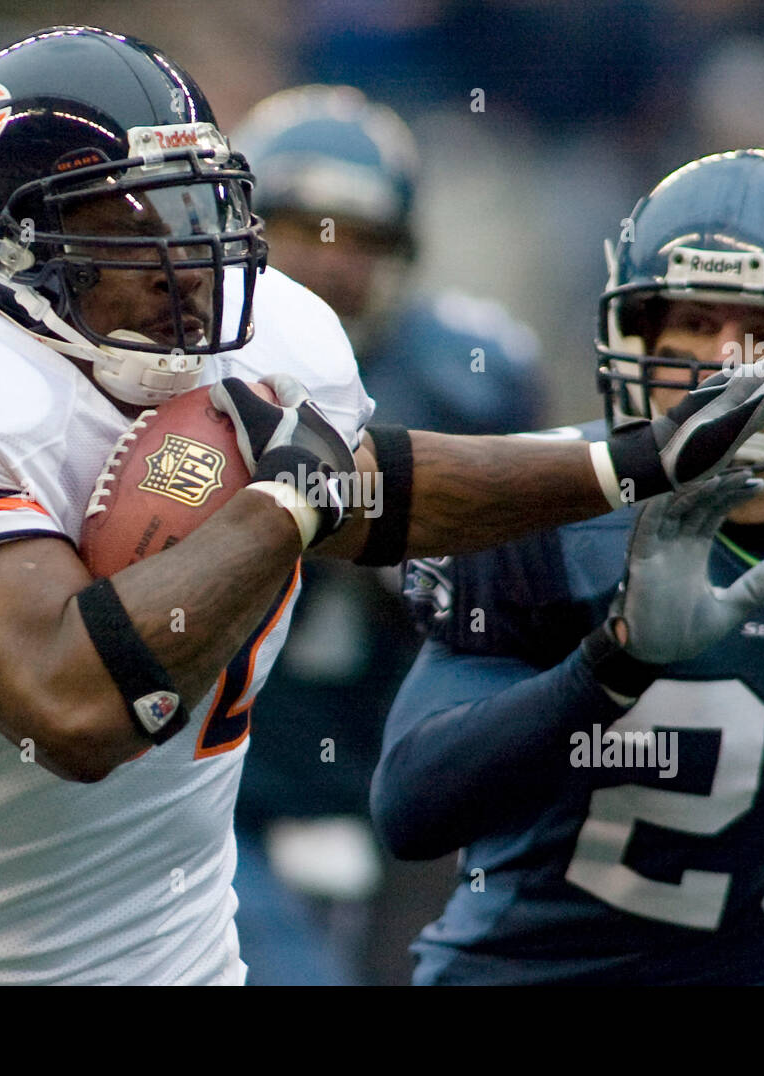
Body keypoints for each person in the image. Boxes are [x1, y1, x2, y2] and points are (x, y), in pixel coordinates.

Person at [0, 31, 764, 986]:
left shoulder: (278, 342)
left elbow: (372, 490)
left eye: (190, 212)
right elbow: (69, 704)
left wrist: (622, 465)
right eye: (127, 225)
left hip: (184, 960)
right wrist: (284, 503)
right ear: (11, 244)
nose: (181, 264)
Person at [372, 148, 764, 986]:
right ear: (635, 335)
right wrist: (613, 664)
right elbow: (411, 808)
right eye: (692, 323)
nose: (725, 364)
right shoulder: (548, 511)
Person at [227, 85, 548, 984]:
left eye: (361, 238)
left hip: (403, 794)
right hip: (225, 794)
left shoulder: (467, 376)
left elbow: (525, 598)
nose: (330, 261)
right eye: (301, 227)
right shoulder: (184, 366)